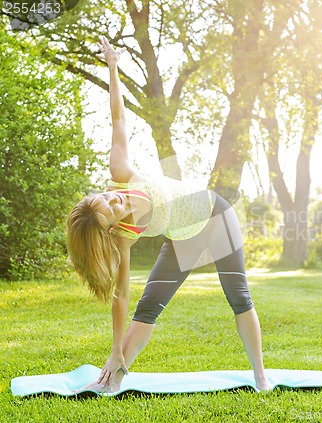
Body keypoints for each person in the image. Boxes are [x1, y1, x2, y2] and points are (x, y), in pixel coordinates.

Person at [67, 36, 272, 393]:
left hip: (215, 216)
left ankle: (261, 377)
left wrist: (113, 68)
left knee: (238, 294)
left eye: (108, 198)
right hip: (184, 237)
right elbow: (121, 297)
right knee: (148, 306)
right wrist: (115, 350)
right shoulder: (123, 236)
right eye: (112, 211)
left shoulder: (121, 172)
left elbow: (118, 118)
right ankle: (112, 378)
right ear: (111, 228)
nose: (118, 202)